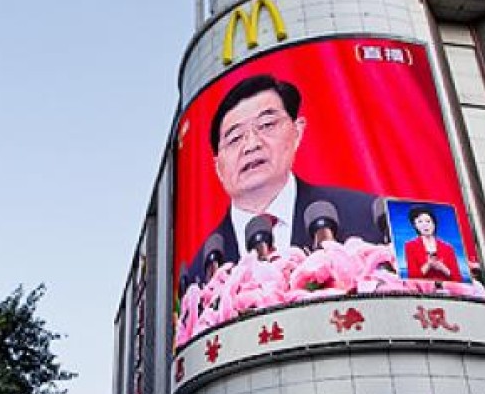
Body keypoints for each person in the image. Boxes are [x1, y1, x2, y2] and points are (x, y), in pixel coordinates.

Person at [185, 73, 383, 288]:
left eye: (267, 125)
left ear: (297, 131)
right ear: (218, 166)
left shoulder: (368, 215)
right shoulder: (199, 272)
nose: (252, 145)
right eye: (235, 138)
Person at [403, 205, 462, 282]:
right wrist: (428, 265)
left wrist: (443, 268)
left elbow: (458, 279)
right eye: (420, 222)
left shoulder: (448, 248)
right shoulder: (410, 246)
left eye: (428, 221)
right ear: (415, 225)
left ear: (434, 224)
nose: (425, 224)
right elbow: (412, 277)